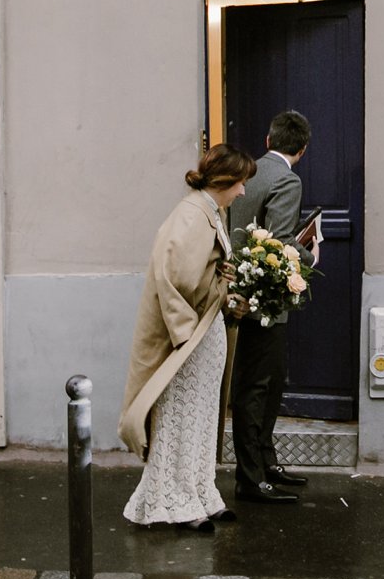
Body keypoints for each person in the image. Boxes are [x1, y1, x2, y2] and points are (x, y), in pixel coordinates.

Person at [119, 143, 258, 534]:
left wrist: (225, 295)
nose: (243, 191)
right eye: (241, 183)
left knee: (199, 417)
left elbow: (200, 276)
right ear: (226, 181)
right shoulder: (193, 215)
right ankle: (172, 500)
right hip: (192, 339)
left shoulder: (207, 211)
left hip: (203, 334)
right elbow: (177, 278)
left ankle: (198, 492)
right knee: (181, 418)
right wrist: (211, 301)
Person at [225, 109, 314, 504]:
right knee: (259, 387)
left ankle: (266, 462)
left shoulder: (247, 174)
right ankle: (251, 478)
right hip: (266, 299)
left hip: (239, 293)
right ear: (303, 149)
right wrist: (310, 254)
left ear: (268, 140)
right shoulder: (287, 180)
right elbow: (279, 241)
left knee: (261, 383)